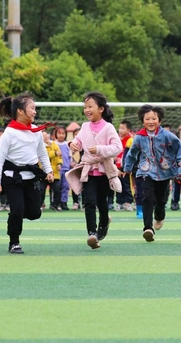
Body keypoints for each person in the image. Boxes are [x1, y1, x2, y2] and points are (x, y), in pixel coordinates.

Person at [0, 93, 54, 254]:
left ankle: (16, 214)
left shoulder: (36, 131)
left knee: (34, 213)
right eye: (32, 108)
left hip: (31, 178)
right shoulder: (9, 133)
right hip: (13, 179)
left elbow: (42, 153)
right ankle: (14, 241)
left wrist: (48, 171)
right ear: (20, 111)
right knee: (17, 210)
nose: (35, 112)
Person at [67, 91, 122, 249]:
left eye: (90, 106)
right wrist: (73, 145)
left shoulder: (108, 127)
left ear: (101, 109)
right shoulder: (84, 127)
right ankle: (92, 233)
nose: (87, 110)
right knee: (89, 202)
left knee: (102, 203)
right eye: (85, 107)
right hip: (88, 171)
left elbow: (117, 148)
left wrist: (99, 149)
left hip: (104, 172)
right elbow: (76, 141)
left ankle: (104, 224)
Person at [123, 104, 181, 242]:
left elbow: (180, 150)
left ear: (159, 121)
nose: (151, 121)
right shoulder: (139, 137)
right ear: (142, 121)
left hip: (165, 172)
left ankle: (159, 216)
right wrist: (127, 168)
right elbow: (132, 153)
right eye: (147, 119)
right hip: (146, 171)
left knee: (160, 200)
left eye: (154, 118)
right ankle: (148, 228)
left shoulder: (168, 136)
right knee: (147, 197)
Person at [115, 120, 134, 211]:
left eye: (123, 128)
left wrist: (128, 167)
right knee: (118, 184)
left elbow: (130, 154)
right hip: (117, 166)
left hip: (126, 167)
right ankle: (119, 202)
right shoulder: (117, 139)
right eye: (120, 128)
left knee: (126, 184)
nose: (120, 130)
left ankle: (128, 202)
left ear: (128, 130)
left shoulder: (130, 140)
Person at [41, 129, 63, 211]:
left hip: (55, 172)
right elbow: (44, 156)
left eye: (46, 135)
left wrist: (59, 164)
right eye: (43, 136)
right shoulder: (40, 146)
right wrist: (54, 153)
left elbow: (59, 155)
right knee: (41, 190)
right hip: (43, 172)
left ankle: (55, 205)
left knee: (57, 189)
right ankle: (40, 204)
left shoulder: (54, 144)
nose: (45, 137)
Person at [54, 125, 72, 210]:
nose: (61, 135)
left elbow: (70, 156)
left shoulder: (67, 144)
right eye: (59, 133)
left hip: (66, 169)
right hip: (57, 170)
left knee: (65, 186)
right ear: (56, 134)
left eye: (63, 133)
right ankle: (56, 203)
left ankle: (64, 202)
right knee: (57, 187)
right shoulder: (54, 144)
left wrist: (70, 164)